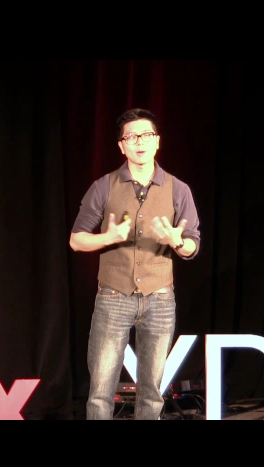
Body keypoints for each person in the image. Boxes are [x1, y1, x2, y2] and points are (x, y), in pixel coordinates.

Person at [69, 107, 201, 420]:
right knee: (100, 392)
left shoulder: (178, 189)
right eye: (131, 137)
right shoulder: (104, 186)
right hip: (113, 296)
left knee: (152, 394)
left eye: (146, 135)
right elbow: (76, 240)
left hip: (160, 298)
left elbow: (192, 244)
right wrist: (108, 237)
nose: (139, 141)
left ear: (158, 141)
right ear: (121, 146)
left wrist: (177, 241)